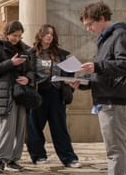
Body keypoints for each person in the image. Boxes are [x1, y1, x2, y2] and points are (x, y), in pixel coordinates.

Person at [78, 1, 126, 175]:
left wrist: (98, 67)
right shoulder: (107, 39)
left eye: (90, 24)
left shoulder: (120, 35)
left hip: (114, 99)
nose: (88, 29)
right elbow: (103, 71)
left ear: (102, 19)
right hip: (108, 97)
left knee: (114, 150)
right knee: (120, 147)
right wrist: (82, 82)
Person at [26, 24, 81, 168]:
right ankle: (38, 155)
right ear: (40, 35)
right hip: (38, 94)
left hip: (57, 94)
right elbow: (26, 73)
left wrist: (70, 84)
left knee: (59, 127)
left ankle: (69, 158)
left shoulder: (61, 54)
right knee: (34, 126)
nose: (49, 36)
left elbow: (70, 74)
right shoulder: (31, 54)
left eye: (52, 34)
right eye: (46, 33)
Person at [0, 21, 33, 172]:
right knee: (6, 127)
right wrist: (11, 63)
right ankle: (0, 160)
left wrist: (28, 79)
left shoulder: (25, 49)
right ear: (6, 34)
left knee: (19, 128)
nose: (16, 39)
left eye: (19, 36)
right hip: (4, 93)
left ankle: (13, 160)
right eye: (14, 35)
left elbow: (30, 69)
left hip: (20, 93)